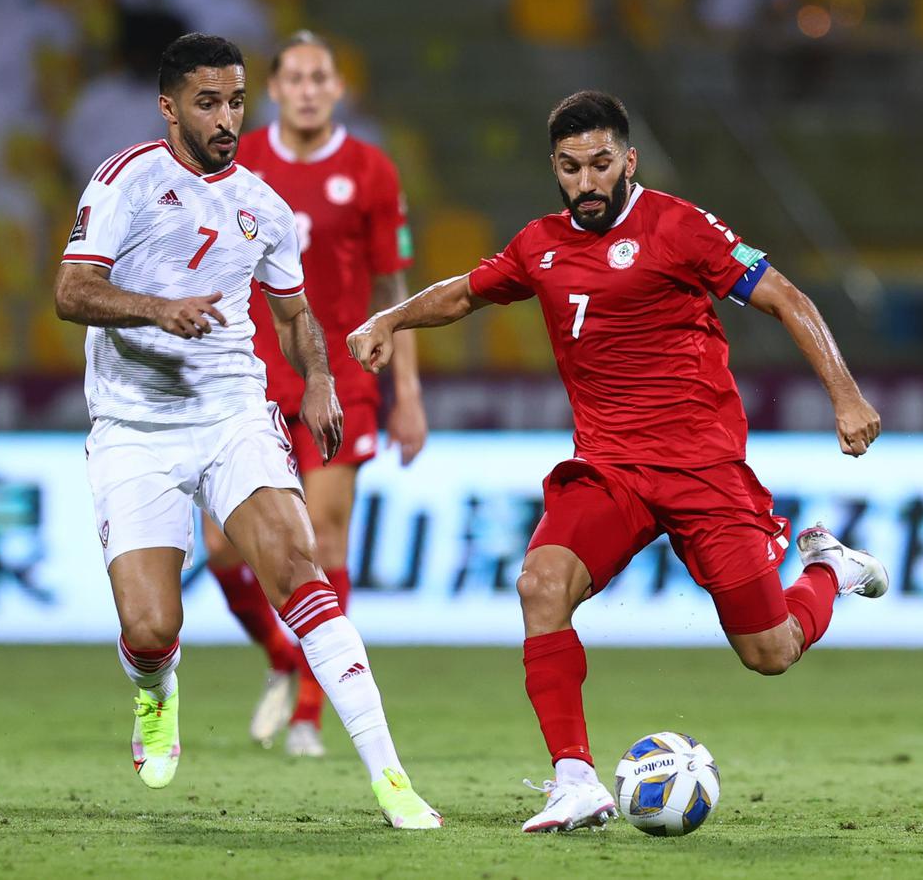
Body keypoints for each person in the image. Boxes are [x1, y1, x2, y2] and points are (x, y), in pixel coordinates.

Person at [347, 90, 887, 833]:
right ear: (556, 169)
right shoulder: (538, 244)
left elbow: (788, 298)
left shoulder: (680, 226)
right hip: (611, 470)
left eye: (601, 164)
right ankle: (574, 778)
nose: (587, 181)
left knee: (770, 650)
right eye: (571, 168)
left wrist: (846, 395)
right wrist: (391, 316)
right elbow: (465, 295)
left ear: (628, 160)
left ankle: (831, 569)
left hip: (704, 470)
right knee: (540, 583)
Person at [53, 33, 440, 829]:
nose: (227, 116)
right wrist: (160, 309)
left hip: (233, 411)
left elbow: (295, 316)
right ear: (169, 107)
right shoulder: (125, 179)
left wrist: (322, 381)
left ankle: (391, 776)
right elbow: (72, 289)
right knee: (151, 626)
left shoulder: (261, 204)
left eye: (235, 100)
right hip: (133, 425)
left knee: (303, 565)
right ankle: (156, 692)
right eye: (208, 102)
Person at [201, 30, 427, 758]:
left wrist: (408, 392)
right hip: (248, 377)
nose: (305, 88)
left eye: (318, 77)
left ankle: (308, 709)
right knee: (219, 547)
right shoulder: (240, 163)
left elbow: (394, 291)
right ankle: (281, 653)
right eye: (293, 76)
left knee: (323, 537)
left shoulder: (369, 170)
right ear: (274, 88)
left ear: (336, 89)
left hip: (345, 378)